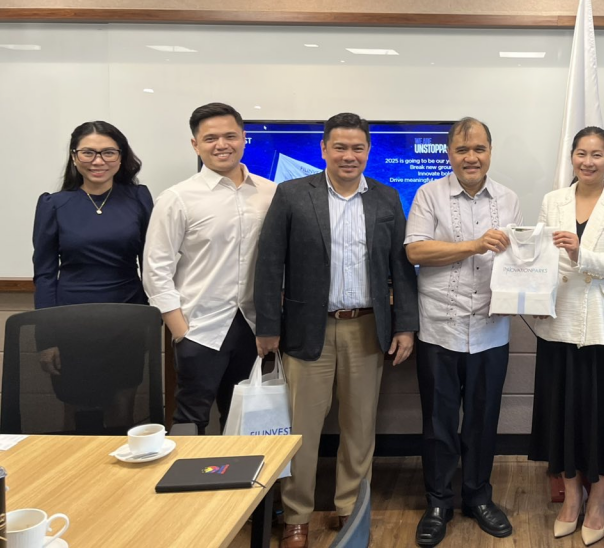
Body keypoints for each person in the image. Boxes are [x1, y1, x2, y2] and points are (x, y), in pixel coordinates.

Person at [254, 113, 419, 548]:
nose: (349, 156)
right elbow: (269, 264)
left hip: (366, 328)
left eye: (357, 148)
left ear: (368, 151)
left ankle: (350, 509)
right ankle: (297, 516)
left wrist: (405, 325)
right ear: (324, 149)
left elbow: (401, 268)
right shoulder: (292, 194)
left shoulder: (386, 198)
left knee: (360, 429)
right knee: (302, 430)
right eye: (340, 147)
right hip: (307, 330)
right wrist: (268, 327)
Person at [405, 117, 522, 547]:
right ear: (449, 153)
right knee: (438, 423)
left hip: (491, 330)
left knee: (483, 421)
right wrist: (474, 245)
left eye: (479, 149)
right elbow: (415, 250)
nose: (471, 157)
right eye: (462, 149)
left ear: (490, 152)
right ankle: (438, 502)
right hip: (439, 328)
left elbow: (520, 260)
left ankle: (477, 497)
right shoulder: (428, 194)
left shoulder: (509, 199)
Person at [528, 126, 604, 546]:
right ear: (572, 157)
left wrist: (580, 253)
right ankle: (572, 496)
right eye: (581, 153)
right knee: (563, 415)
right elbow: (541, 256)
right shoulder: (552, 200)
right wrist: (531, 288)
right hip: (558, 321)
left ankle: (599, 499)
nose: (588, 161)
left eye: (597, 154)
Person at [143, 102, 276, 434]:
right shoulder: (177, 198)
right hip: (199, 327)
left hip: (254, 327)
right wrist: (179, 329)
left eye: (230, 136)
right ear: (195, 144)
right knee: (190, 419)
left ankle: (244, 472)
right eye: (211, 138)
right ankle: (188, 470)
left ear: (243, 138)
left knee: (247, 420)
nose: (222, 145)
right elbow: (156, 268)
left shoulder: (270, 193)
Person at [32, 120, 153, 427]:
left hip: (127, 318)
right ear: (74, 157)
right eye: (88, 152)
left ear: (121, 157)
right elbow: (45, 274)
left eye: (108, 152)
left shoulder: (138, 198)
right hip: (71, 323)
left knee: (122, 412)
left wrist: (155, 316)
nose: (98, 161)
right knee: (77, 415)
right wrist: (45, 338)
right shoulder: (54, 204)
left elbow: (152, 263)